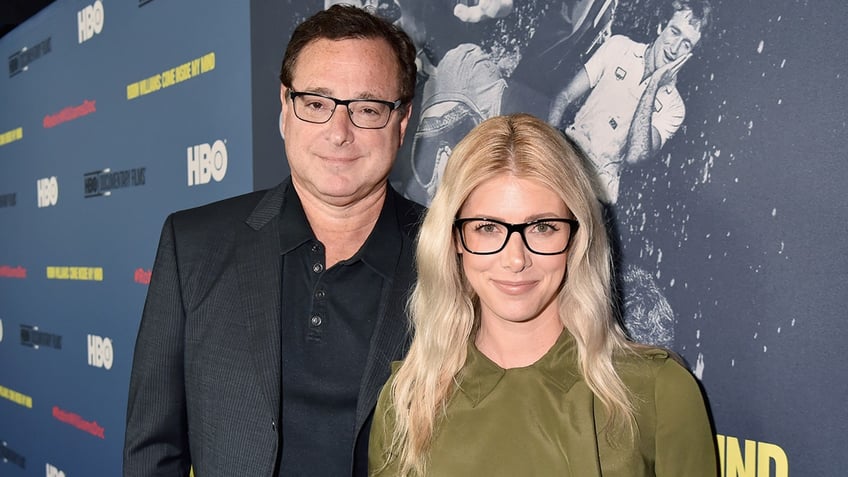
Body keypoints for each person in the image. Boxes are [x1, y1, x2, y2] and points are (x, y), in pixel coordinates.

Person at [123, 5, 423, 477]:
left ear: (401, 123)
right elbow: (152, 451)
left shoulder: (455, 256)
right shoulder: (193, 245)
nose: (339, 132)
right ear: (286, 108)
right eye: (317, 103)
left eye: (367, 108)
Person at [369, 113, 717, 476]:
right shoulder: (409, 402)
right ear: (455, 239)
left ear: (576, 237)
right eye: (487, 228)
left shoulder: (659, 393)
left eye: (542, 227)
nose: (516, 258)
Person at [548, 0, 712, 204]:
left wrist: (654, 85)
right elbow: (564, 96)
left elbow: (635, 156)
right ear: (662, 26)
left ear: (689, 55)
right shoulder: (618, 47)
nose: (675, 48)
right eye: (674, 32)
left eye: (686, 44)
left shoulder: (675, 107)